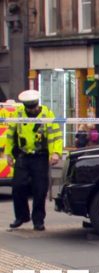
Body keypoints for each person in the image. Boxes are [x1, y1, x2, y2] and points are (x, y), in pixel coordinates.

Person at [6, 90, 63, 231]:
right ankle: (21, 216)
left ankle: (38, 220)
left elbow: (55, 135)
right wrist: (8, 154)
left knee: (40, 189)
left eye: (35, 106)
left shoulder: (47, 114)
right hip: (23, 156)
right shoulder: (18, 114)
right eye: (30, 108)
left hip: (40, 156)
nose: (34, 110)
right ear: (26, 107)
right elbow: (10, 135)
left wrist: (56, 153)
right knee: (18, 187)